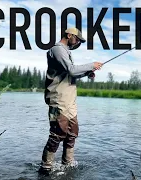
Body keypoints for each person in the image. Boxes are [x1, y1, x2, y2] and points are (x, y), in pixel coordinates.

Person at [39, 27, 103, 174]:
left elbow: (71, 74)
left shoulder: (66, 52)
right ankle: (45, 168)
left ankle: (68, 165)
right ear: (69, 35)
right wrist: (92, 64)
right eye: (78, 39)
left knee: (72, 132)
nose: (78, 42)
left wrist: (88, 72)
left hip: (70, 100)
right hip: (58, 99)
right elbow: (72, 70)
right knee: (58, 134)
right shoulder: (57, 49)